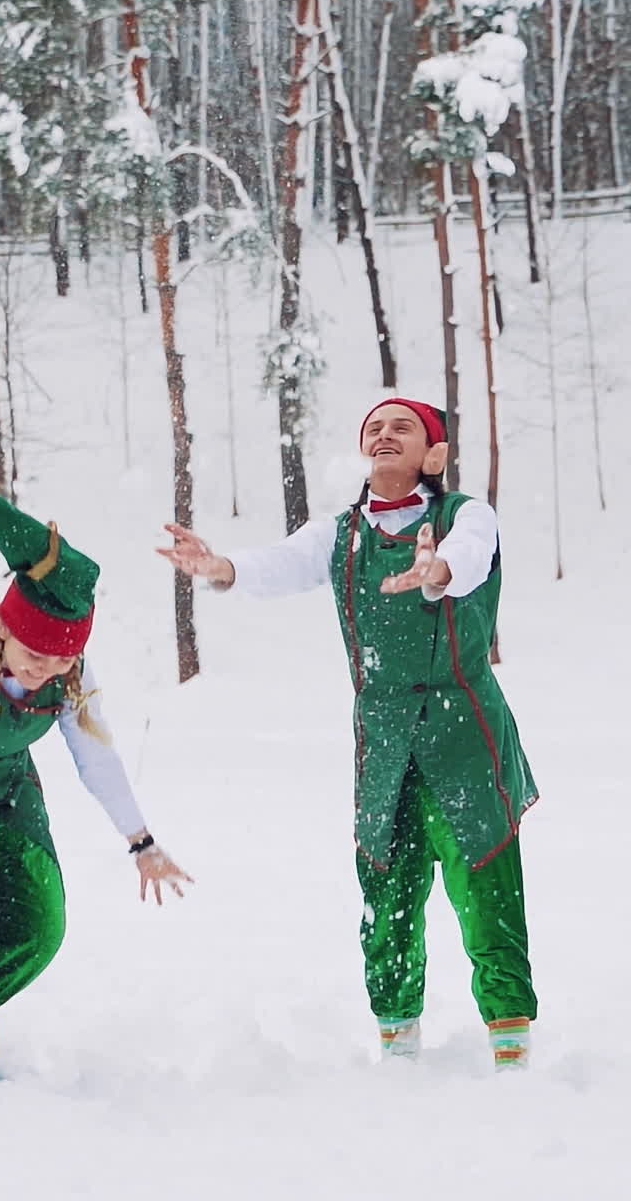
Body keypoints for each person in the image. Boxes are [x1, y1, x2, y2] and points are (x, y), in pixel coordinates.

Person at [158, 397, 538, 1070]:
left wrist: (438, 571)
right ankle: (399, 1051)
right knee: (387, 897)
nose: (385, 435)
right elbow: (277, 564)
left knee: (488, 890)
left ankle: (511, 1052)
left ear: (435, 454)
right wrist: (221, 569)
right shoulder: (340, 535)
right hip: (384, 740)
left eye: (403, 427)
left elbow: (472, 556)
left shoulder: (464, 517)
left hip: (468, 736)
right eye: (374, 427)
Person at [0, 433, 191, 1080]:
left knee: (37, 929)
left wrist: (141, 841)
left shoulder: (67, 672)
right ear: (4, 628)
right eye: (35, 655)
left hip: (7, 799)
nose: (46, 671)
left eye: (62, 658)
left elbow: (96, 754)